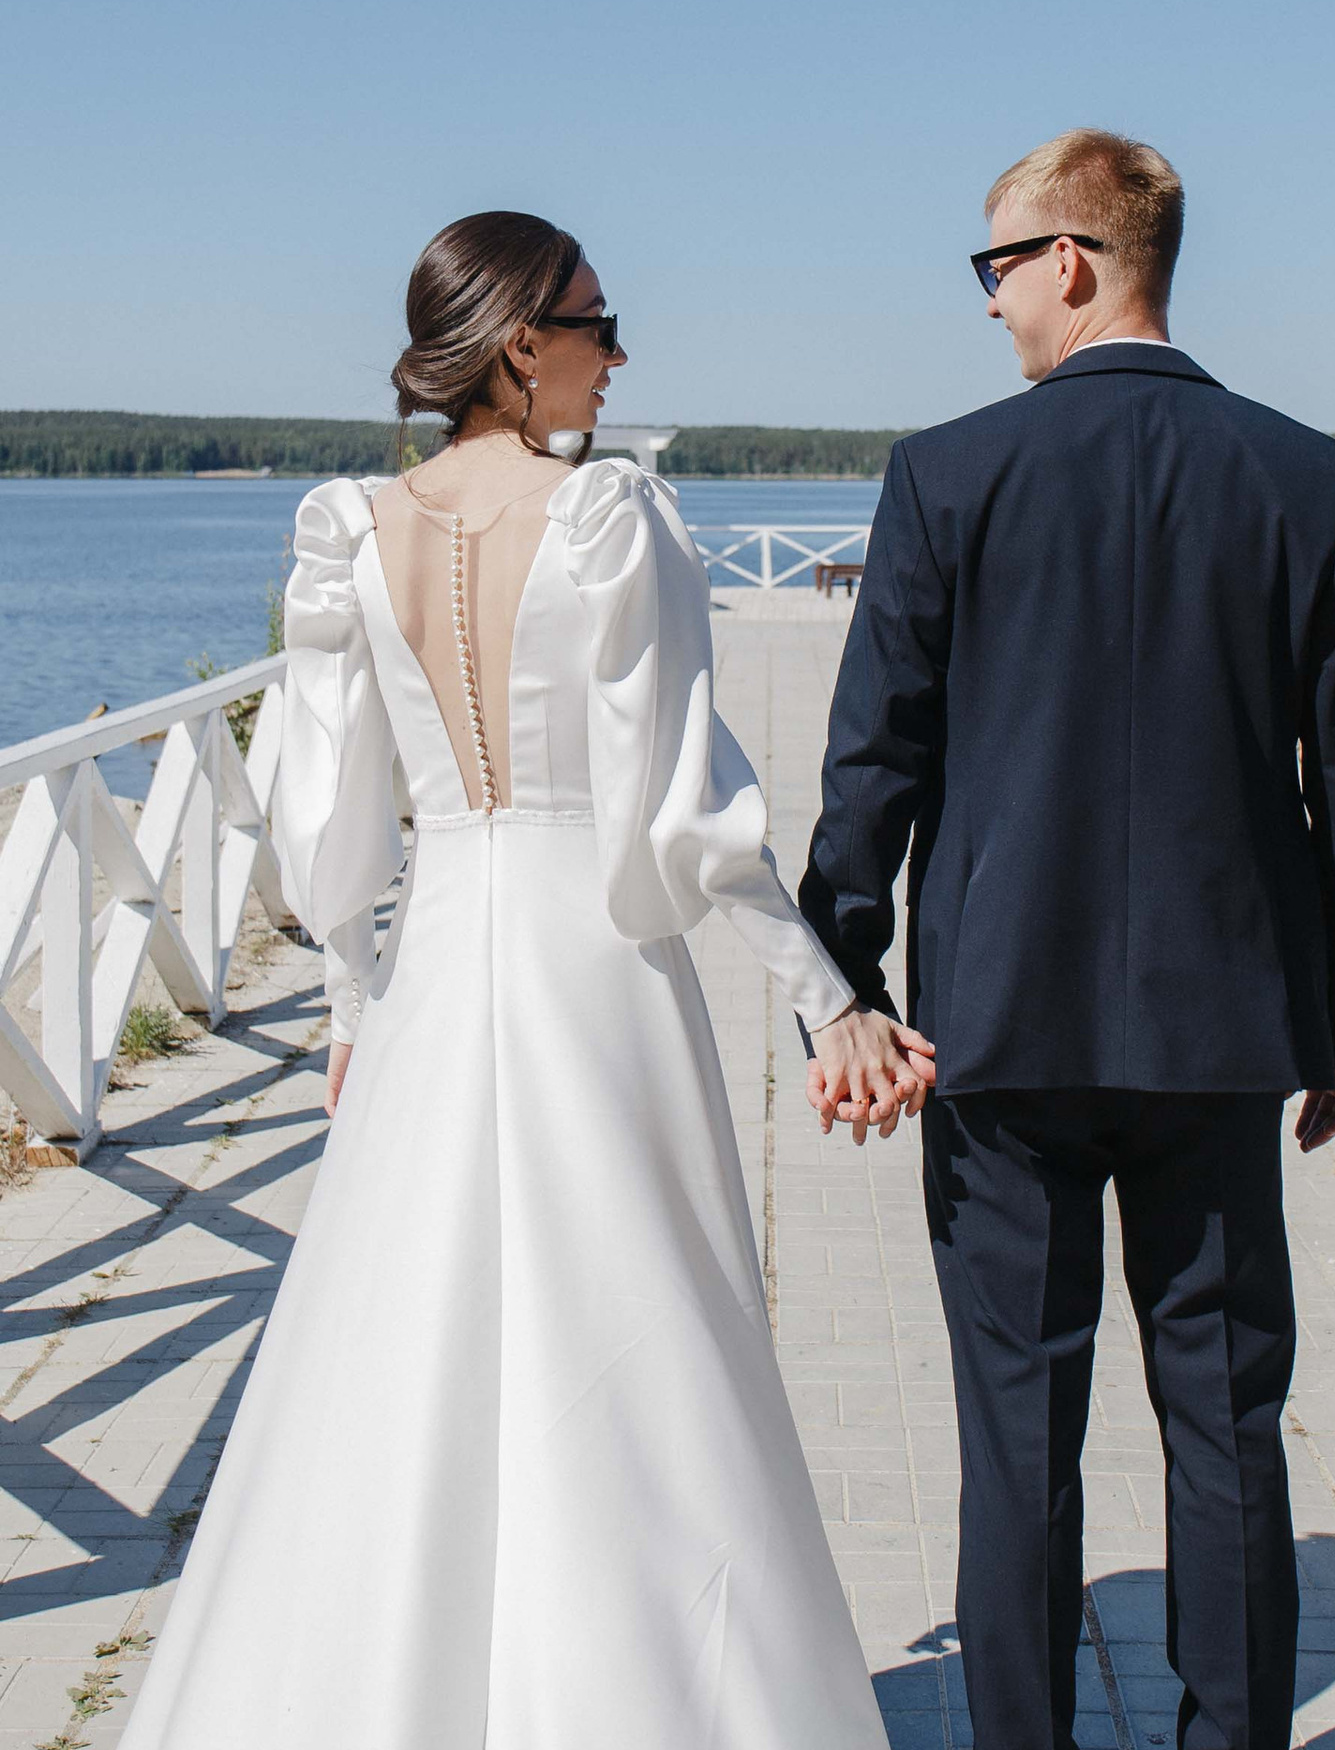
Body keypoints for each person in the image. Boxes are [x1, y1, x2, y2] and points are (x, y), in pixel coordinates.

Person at [121, 211, 931, 1749]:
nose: (620, 356)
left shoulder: (351, 533)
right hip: (597, 968)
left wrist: (356, 1001)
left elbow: (327, 823)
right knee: (641, 1326)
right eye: (599, 324)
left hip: (441, 959)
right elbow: (690, 814)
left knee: (402, 1334)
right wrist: (829, 997)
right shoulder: (610, 521)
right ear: (517, 346)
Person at [797, 130, 1335, 1750]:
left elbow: (878, 762)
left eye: (995, 268)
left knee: (1017, 1437)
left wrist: (840, 987)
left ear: (1072, 259)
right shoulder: (1300, 476)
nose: (989, 305)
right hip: (1220, 1038)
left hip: (997, 1030)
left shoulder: (947, 476)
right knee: (1225, 1425)